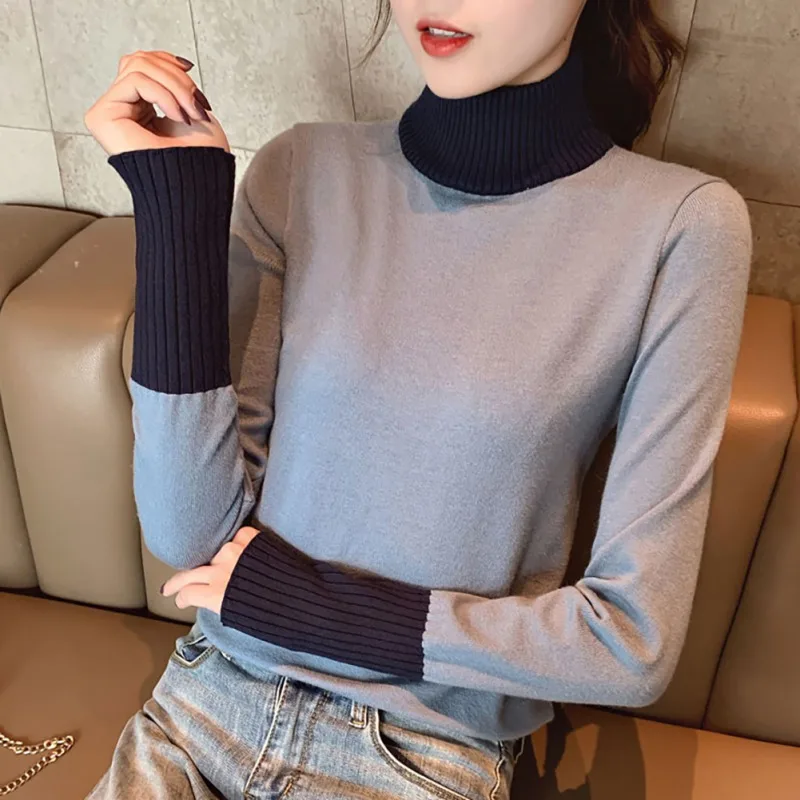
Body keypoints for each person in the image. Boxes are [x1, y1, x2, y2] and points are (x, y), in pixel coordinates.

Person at [83, 0, 752, 797]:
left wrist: (322, 611)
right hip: (204, 707)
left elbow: (632, 645)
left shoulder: (681, 227)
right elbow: (189, 533)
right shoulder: (299, 171)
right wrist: (177, 201)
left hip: (421, 755)